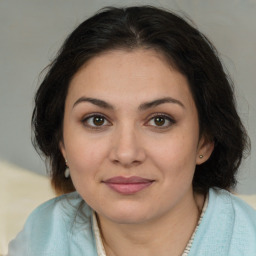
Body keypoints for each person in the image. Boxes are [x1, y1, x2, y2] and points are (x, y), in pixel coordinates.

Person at [8, 5, 256, 256]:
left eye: (160, 120)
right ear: (62, 142)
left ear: (204, 141)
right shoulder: (41, 237)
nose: (126, 153)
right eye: (96, 120)